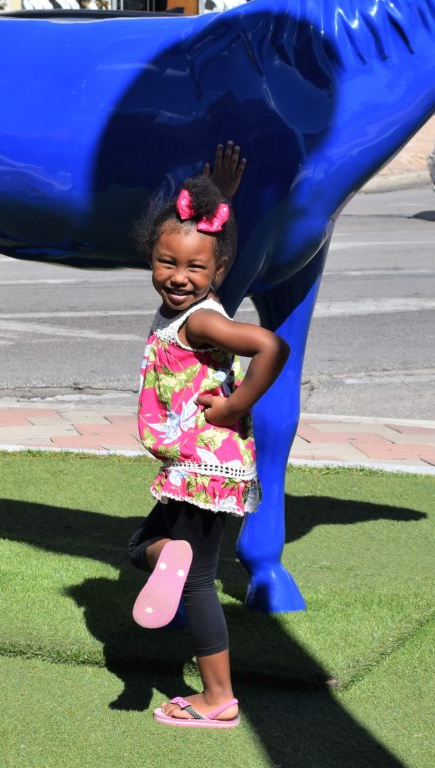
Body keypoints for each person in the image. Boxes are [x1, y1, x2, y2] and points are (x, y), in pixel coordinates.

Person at [129, 143, 289, 729]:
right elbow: (210, 241)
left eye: (195, 269)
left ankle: (216, 697)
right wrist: (222, 198)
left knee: (195, 580)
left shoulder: (201, 318)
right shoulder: (192, 302)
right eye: (168, 262)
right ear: (153, 256)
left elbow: (270, 345)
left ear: (216, 274)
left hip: (202, 463)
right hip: (197, 465)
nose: (178, 276)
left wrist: (237, 403)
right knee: (139, 548)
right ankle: (166, 555)